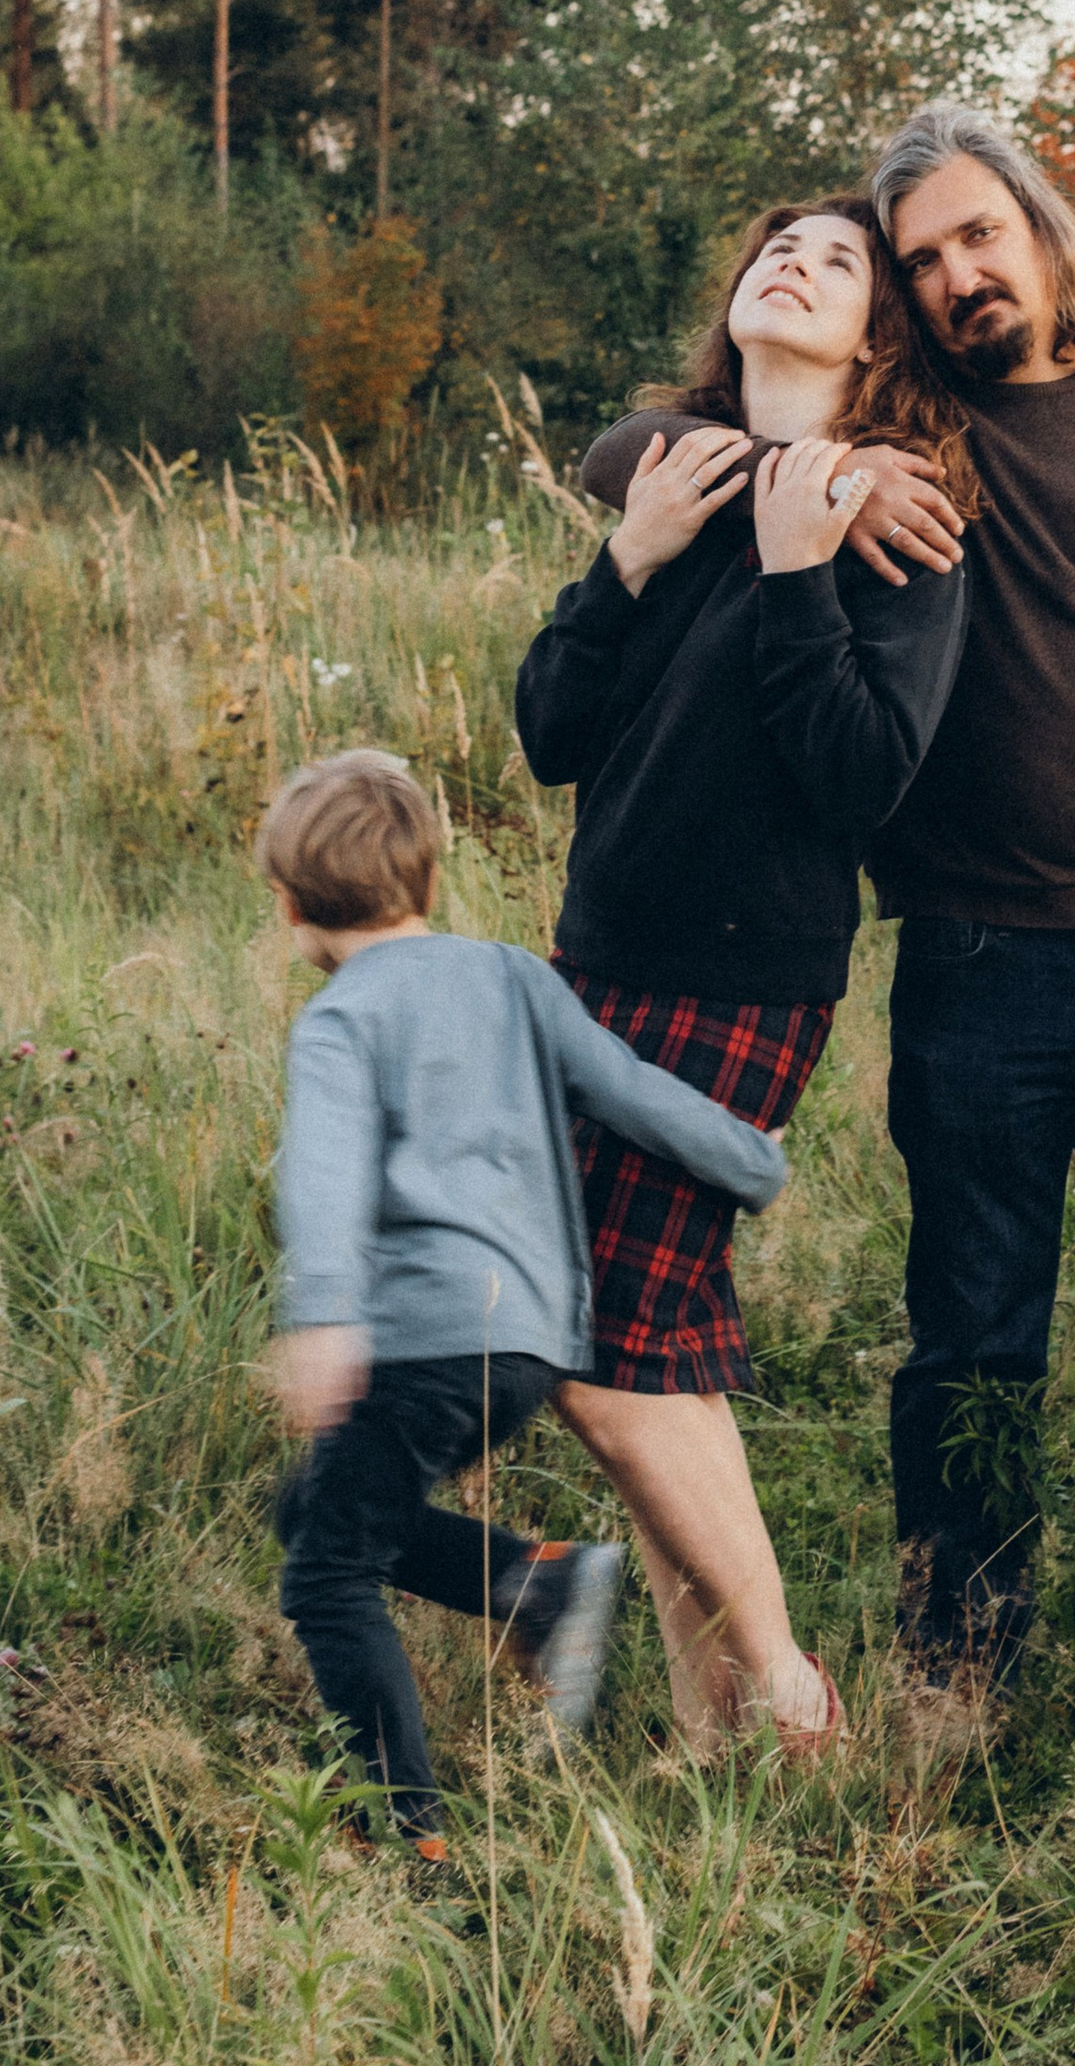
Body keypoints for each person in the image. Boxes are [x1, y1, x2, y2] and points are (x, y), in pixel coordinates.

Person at [581, 106, 1075, 1708]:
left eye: (979, 235)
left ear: (1044, 231)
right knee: (973, 1340)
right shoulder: (916, 452)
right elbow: (621, 452)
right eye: (919, 263)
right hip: (982, 963)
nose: (958, 275)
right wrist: (831, 464)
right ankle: (958, 1666)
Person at [517, 196, 970, 1748]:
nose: (795, 262)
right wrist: (625, 565)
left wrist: (801, 571)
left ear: (875, 340)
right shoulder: (673, 479)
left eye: (839, 261)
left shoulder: (900, 531)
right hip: (592, 960)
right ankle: (721, 1721)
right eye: (777, 248)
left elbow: (860, 782)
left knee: (600, 1353)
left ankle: (783, 1688)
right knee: (643, 1354)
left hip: (737, 981)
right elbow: (549, 737)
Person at [263, 747, 788, 1853]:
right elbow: (632, 1087)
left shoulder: (341, 1017)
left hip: (418, 1338)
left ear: (292, 904)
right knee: (313, 1509)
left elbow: (318, 1171)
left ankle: (407, 1828)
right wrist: (751, 1160)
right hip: (537, 1342)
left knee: (326, 1575)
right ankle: (536, 1586)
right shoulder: (511, 973)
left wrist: (319, 1318)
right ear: (425, 880)